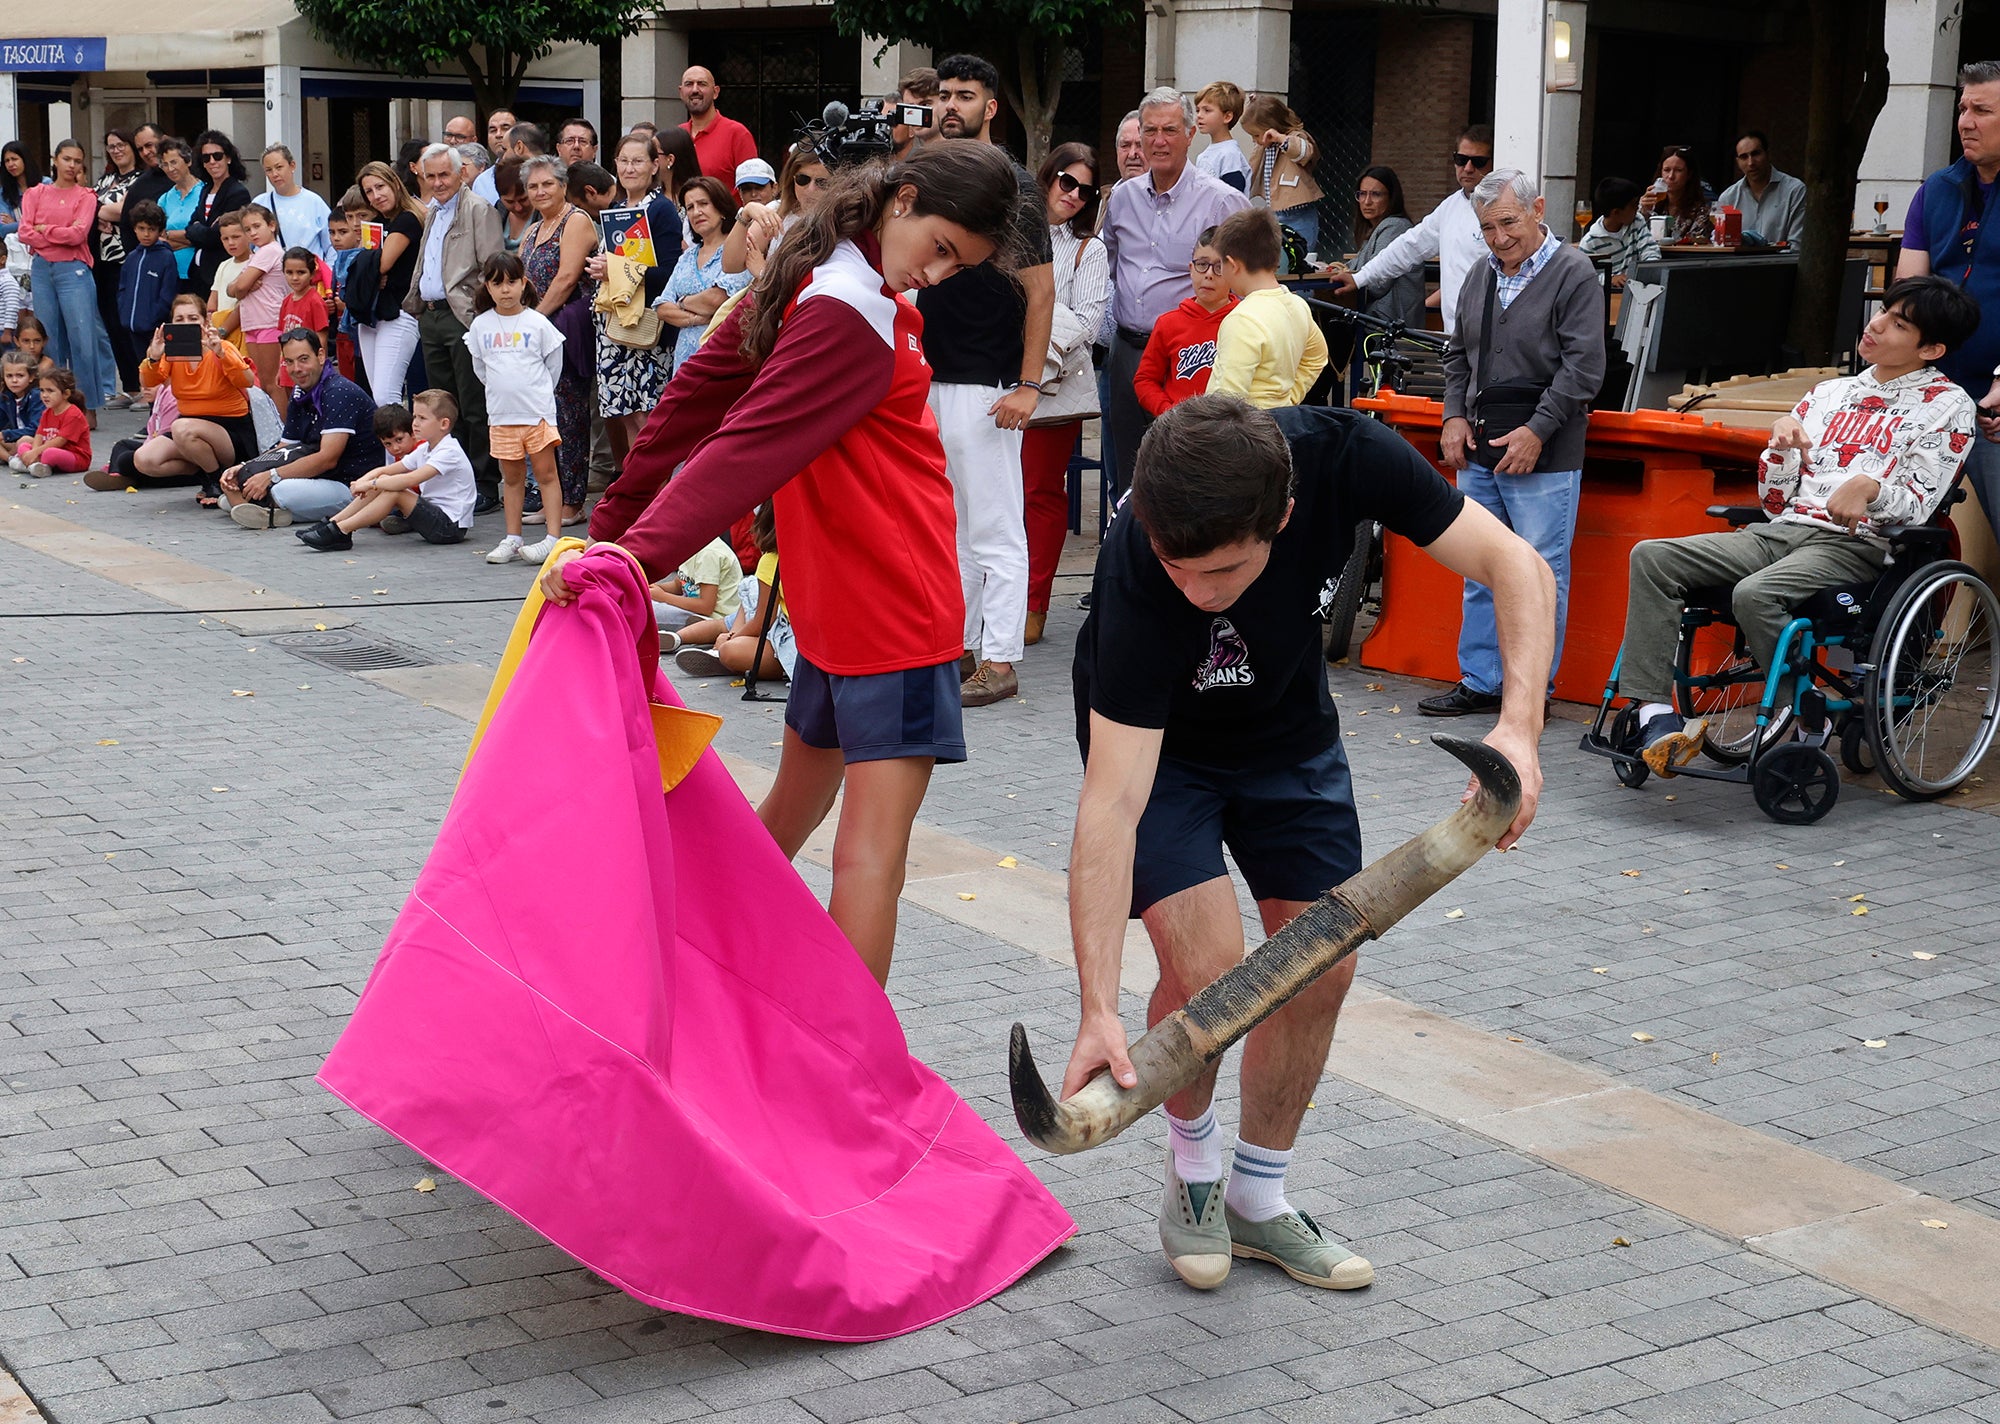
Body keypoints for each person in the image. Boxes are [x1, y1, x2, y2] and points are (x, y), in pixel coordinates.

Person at [1061, 395, 1549, 1295]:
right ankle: (1196, 1174)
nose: (1197, 592)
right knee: (1211, 966)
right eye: (1181, 567)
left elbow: (1515, 564)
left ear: (1281, 519)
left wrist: (1519, 728)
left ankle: (1258, 1198)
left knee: (1320, 967)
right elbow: (1110, 808)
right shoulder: (1141, 569)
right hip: (1164, 752)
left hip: (1288, 736)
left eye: (1223, 572)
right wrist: (1097, 1005)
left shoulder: (1346, 457)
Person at [556, 139, 1024, 985]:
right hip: (889, 611)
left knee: (800, 827)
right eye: (943, 248)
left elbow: (705, 411)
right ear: (903, 199)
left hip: (849, 607)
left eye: (962, 266)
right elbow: (735, 439)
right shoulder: (850, 306)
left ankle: (682, 984)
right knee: (859, 855)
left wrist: (618, 535)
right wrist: (623, 548)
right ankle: (831, 1070)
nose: (941, 275)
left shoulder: (824, 274)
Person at [1619, 278, 1979, 774]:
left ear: (1932, 348)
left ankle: (1805, 710)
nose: (1876, 325)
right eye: (1883, 312)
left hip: (1856, 545)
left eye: (1899, 324)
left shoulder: (1949, 406)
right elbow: (1773, 501)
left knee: (1755, 594)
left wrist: (1870, 491)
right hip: (1781, 531)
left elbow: (1919, 507)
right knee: (1653, 556)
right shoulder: (1829, 393)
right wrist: (1782, 451)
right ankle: (1655, 712)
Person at [1422, 168, 1606, 718]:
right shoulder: (1482, 272)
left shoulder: (1573, 271)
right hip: (1482, 442)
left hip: (1546, 450)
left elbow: (1583, 368)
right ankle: (1481, 680)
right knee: (1480, 566)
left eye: (1508, 222)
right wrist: (1454, 414)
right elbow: (1459, 355)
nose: (1500, 238)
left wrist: (1538, 429)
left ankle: (1530, 695)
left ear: (1537, 209)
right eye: (1487, 228)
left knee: (1540, 572)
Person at [916, 53, 1057, 710]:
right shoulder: (928, 175)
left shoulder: (1015, 187)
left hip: (991, 384)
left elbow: (1041, 291)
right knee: (953, 529)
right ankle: (964, 647)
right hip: (933, 379)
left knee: (995, 529)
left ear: (991, 106)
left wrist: (1029, 385)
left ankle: (1000, 659)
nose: (951, 105)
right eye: (944, 93)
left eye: (964, 95)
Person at [1100, 88, 1250, 495]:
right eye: (1150, 131)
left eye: (1169, 130)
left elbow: (1249, 278)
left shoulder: (1223, 202)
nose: (1158, 141)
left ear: (1189, 134)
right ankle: (1130, 551)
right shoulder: (1122, 200)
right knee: (1128, 471)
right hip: (1129, 350)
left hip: (1190, 355)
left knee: (1188, 469)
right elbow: (1109, 264)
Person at [1896, 59, 2000, 548]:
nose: (1965, 121)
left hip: (1995, 407)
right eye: (1963, 107)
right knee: (1899, 532)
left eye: (1982, 109)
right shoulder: (1935, 189)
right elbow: (1908, 294)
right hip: (1931, 398)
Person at [1022, 143, 1110, 648]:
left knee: (1039, 494)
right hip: (996, 381)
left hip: (1051, 390)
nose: (1074, 195)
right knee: (995, 496)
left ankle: (1034, 605)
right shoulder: (1012, 234)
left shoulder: (1087, 249)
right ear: (1047, 177)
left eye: (1085, 189)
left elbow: (1091, 324)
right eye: (1066, 182)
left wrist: (1030, 353)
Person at [404, 141, 503, 510]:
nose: (438, 182)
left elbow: (490, 269)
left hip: (462, 317)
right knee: (443, 406)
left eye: (444, 174)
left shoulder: (478, 209)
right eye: (431, 176)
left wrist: (479, 321)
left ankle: (484, 482)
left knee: (473, 403)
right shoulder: (433, 211)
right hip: (430, 316)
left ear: (461, 172)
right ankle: (454, 477)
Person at [1329, 123, 1492, 332]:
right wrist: (1360, 278)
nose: (1468, 168)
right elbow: (1409, 246)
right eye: (1461, 160)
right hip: (1455, 336)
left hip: (1493, 333)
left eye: (1478, 162)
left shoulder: (1503, 207)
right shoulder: (1450, 206)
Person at [219, 328, 385, 528]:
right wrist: (247, 467)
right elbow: (285, 448)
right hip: (322, 478)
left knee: (282, 490)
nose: (297, 368)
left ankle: (265, 509)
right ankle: (268, 510)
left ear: (321, 356)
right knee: (239, 484)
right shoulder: (300, 391)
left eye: (303, 359)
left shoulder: (338, 392)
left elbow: (327, 459)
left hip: (352, 485)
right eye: (289, 362)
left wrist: (270, 476)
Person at [466, 251, 566, 564]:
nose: (506, 289)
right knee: (510, 478)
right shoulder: (481, 326)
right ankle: (512, 538)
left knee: (546, 474)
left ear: (523, 283)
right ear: (488, 287)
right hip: (501, 416)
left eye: (512, 282)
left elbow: (554, 366)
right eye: (498, 283)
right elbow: (481, 369)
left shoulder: (538, 323)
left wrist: (535, 397)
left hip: (536, 414)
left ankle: (553, 538)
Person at [591, 133, 682, 467]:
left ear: (655, 165)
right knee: (627, 416)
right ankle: (638, 498)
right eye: (624, 161)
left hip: (647, 328)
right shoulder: (616, 207)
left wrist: (615, 269)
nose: (630, 168)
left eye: (638, 161)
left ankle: (654, 500)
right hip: (613, 326)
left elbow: (669, 271)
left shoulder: (661, 210)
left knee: (647, 420)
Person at [518, 154, 599, 523]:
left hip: (566, 330)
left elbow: (567, 279)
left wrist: (532, 320)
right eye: (533, 186)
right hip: (539, 331)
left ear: (564, 186)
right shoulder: (533, 230)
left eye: (547, 183)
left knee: (569, 414)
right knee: (543, 418)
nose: (540, 191)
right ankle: (553, 499)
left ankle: (573, 502)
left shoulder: (576, 221)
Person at [297, 387, 476, 551]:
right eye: (415, 416)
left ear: (444, 424)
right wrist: (363, 480)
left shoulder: (449, 452)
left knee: (394, 490)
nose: (415, 423)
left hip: (450, 528)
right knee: (386, 483)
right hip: (434, 516)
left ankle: (341, 531)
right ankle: (335, 522)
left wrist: (371, 484)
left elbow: (410, 480)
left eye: (422, 418)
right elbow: (389, 470)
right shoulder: (425, 448)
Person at [115, 293, 260, 493]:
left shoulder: (223, 347)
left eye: (193, 319)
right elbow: (148, 383)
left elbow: (248, 381)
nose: (186, 324)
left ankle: (215, 481)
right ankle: (205, 474)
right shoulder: (171, 353)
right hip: (187, 428)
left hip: (230, 430)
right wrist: (154, 358)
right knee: (143, 459)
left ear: (206, 321)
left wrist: (221, 354)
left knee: (181, 427)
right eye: (179, 319)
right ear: (171, 324)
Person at [22, 140, 109, 421]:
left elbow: (79, 235)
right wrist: (58, 232)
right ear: (55, 159)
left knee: (83, 340)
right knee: (50, 340)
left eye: (77, 161)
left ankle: (87, 404)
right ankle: (52, 406)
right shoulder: (36, 193)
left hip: (74, 269)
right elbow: (24, 232)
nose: (72, 165)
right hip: (42, 268)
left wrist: (45, 229)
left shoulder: (86, 196)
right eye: (67, 159)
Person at [1207, 209, 1327, 408]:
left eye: (1220, 265)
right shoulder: (1298, 305)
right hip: (1281, 425)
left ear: (1232, 264)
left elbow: (1224, 402)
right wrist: (1288, 400)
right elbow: (1317, 358)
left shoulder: (1243, 319)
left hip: (1246, 434)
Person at [1134, 227, 1236, 414]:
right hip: (1179, 430)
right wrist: (1168, 413)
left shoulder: (1245, 320)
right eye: (1202, 264)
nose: (1209, 274)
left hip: (1231, 429)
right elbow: (1145, 379)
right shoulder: (1168, 323)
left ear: (1234, 272)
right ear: (1191, 269)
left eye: (1219, 267)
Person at [351, 160, 427, 406]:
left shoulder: (408, 219)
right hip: (371, 314)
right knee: (377, 397)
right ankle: (389, 445)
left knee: (387, 396)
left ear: (394, 183)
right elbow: (365, 264)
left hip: (399, 313)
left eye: (380, 187)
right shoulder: (377, 224)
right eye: (369, 191)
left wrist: (370, 268)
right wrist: (370, 269)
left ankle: (402, 445)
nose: (376, 195)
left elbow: (381, 264)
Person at [657, 176, 749, 373]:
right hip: (684, 362)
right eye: (689, 207)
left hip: (722, 359)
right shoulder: (687, 257)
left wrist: (681, 302)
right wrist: (699, 319)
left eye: (703, 204)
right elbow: (662, 308)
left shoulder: (739, 249)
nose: (696, 212)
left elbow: (716, 300)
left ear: (721, 207)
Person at [90, 130, 146, 409]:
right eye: (111, 146)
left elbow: (124, 212)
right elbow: (92, 207)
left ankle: (144, 386)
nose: (116, 150)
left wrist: (97, 210)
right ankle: (130, 387)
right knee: (111, 324)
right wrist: (100, 211)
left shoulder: (141, 179)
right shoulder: (105, 179)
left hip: (126, 257)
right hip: (101, 259)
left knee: (129, 322)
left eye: (121, 145)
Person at [1241, 94, 1322, 253]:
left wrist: (1280, 138)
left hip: (1299, 216)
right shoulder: (1264, 147)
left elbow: (1304, 153)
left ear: (1272, 126)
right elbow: (1250, 169)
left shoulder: (1296, 138)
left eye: (1256, 135)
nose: (1254, 140)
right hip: (1275, 216)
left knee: (1300, 257)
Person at [228, 204, 289, 407]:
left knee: (273, 383)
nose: (252, 233)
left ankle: (284, 434)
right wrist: (242, 286)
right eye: (247, 229)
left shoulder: (269, 251)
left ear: (271, 225)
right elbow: (231, 289)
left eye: (256, 226)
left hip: (268, 321)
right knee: (262, 383)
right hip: (253, 323)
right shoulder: (257, 255)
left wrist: (242, 286)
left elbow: (240, 286)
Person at [1350, 166, 1424, 328]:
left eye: (1375, 194)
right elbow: (1355, 266)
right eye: (1362, 194)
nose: (1367, 201)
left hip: (1390, 326)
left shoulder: (1395, 226)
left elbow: (1377, 284)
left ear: (1392, 198)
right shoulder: (1375, 229)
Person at [187, 132, 252, 301]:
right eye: (206, 158)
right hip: (198, 273)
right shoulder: (205, 190)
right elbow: (189, 229)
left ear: (228, 158)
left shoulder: (237, 193)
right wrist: (199, 229)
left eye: (217, 156)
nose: (212, 162)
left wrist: (199, 229)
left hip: (223, 272)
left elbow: (215, 236)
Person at [116, 202, 179, 374]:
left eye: (151, 229)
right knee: (144, 370)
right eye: (141, 228)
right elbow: (122, 289)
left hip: (155, 329)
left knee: (159, 370)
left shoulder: (166, 257)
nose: (146, 234)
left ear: (159, 231)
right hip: (132, 326)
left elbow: (168, 294)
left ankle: (159, 402)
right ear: (134, 229)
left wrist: (154, 318)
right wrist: (125, 314)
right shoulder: (131, 258)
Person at [1714, 131, 1806, 248]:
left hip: (1781, 264)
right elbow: (1719, 242)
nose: (1751, 162)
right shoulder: (1728, 197)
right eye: (1744, 157)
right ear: (1737, 162)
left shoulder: (1794, 190)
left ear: (1768, 154)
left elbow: (1796, 245)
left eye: (1756, 154)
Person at [650, 534, 744, 642]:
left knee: (646, 608)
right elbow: (679, 585)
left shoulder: (708, 553)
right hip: (693, 609)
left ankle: (700, 632)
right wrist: (654, 588)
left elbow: (706, 606)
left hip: (714, 617)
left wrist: (663, 597)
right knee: (644, 602)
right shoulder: (691, 547)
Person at [680, 67, 760, 184]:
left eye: (702, 84)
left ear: (715, 92)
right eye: (689, 84)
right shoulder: (677, 135)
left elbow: (752, 188)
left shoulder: (737, 134)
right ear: (681, 92)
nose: (695, 90)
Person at [255, 144, 333, 263]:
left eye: (279, 167)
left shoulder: (314, 202)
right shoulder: (259, 203)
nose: (275, 174)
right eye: (269, 170)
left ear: (292, 166)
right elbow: (247, 245)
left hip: (308, 276)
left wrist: (328, 273)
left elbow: (331, 244)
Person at [1577, 177, 1659, 288]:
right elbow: (1583, 276)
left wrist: (1648, 272)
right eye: (1634, 205)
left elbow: (1650, 251)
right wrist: (1609, 279)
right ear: (1616, 212)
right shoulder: (1590, 242)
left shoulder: (1637, 221)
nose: (1637, 209)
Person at [10, 366, 89, 475]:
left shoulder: (73, 414)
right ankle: (36, 465)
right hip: (48, 449)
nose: (44, 395)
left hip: (75, 457)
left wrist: (36, 452)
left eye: (50, 391)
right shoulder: (47, 412)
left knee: (49, 453)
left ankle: (28, 464)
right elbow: (39, 435)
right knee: (24, 444)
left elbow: (60, 441)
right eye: (42, 390)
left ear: (66, 394)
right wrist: (34, 451)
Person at [150, 139, 204, 289]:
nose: (170, 168)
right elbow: (155, 238)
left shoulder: (204, 193)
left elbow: (205, 236)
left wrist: (169, 235)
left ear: (188, 161)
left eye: (174, 162)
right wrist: (190, 239)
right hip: (169, 272)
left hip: (198, 272)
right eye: (165, 165)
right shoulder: (165, 198)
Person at [1637, 144, 1710, 245]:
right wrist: (1643, 212)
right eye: (1666, 170)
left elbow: (1696, 241)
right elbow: (1634, 237)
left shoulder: (1701, 210)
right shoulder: (1650, 203)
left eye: (1678, 170)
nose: (1671, 176)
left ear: (1689, 174)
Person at [1193, 82, 1249, 194]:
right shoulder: (1204, 155)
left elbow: (1233, 197)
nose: (1199, 115)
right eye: (1198, 110)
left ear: (1227, 116)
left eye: (1207, 110)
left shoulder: (1230, 154)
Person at [0, 351, 44, 457]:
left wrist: (5, 435)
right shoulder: (6, 396)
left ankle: (13, 458)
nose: (14, 380)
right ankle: (11, 460)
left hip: (37, 440)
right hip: (16, 440)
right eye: (9, 376)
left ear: (31, 377)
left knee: (24, 441)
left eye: (20, 376)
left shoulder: (37, 396)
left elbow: (36, 429)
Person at [891, 67, 940, 159]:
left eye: (925, 105)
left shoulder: (964, 156)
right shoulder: (909, 163)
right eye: (910, 107)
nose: (917, 113)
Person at [0, 141, 39, 246]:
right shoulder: (3, 193)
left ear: (25, 159)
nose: (10, 164)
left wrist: (15, 223)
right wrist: (35, 223)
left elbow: (52, 220)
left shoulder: (45, 185)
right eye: (6, 161)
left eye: (14, 159)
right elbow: (3, 229)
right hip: (17, 252)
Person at [494, 160, 533, 251]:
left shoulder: (543, 214)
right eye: (510, 202)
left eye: (523, 200)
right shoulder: (498, 210)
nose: (518, 208)